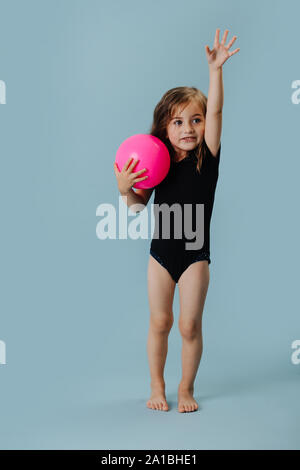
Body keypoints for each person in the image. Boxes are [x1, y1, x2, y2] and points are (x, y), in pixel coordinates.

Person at [114, 29, 240, 412]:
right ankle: (157, 385)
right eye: (178, 122)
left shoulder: (208, 161)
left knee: (188, 327)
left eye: (196, 120)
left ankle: (186, 388)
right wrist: (124, 189)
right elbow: (137, 207)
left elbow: (217, 109)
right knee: (160, 322)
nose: (188, 129)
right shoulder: (158, 165)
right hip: (160, 256)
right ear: (164, 129)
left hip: (195, 257)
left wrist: (215, 70)